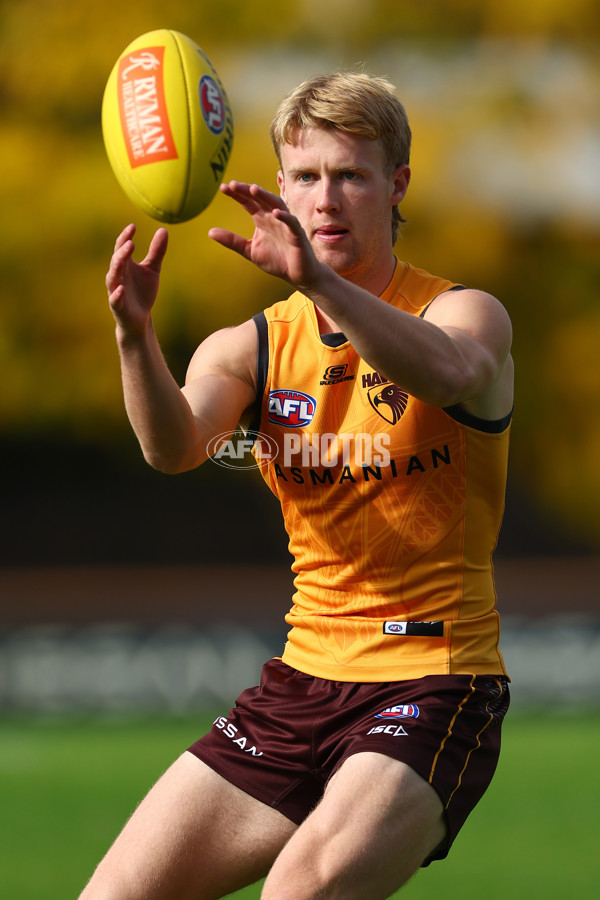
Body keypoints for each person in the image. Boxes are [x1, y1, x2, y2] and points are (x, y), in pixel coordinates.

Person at [81, 72, 513, 900]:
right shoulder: (251, 346)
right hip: (300, 681)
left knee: (298, 892)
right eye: (307, 176)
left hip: (434, 679)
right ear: (278, 186)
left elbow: (451, 371)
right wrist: (133, 338)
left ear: (397, 185)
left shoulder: (465, 313)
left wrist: (317, 281)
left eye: (351, 174)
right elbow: (174, 448)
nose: (327, 198)